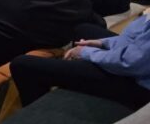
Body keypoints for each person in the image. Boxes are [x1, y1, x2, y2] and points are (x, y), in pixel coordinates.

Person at [10, 11, 150, 111]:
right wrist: (102, 43)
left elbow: (130, 63)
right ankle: (68, 76)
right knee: (83, 29)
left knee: (22, 65)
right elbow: (133, 38)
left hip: (138, 86)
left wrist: (85, 52)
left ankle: (35, 118)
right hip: (135, 63)